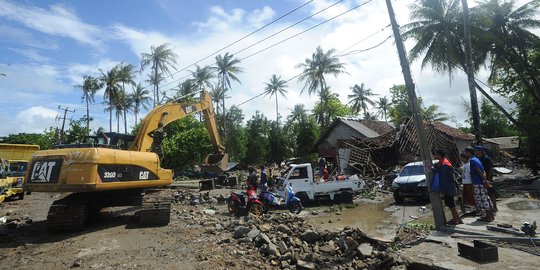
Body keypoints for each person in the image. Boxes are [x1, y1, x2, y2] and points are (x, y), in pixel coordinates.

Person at [432, 149, 463, 225]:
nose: (435, 156)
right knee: (451, 204)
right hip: (450, 187)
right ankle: (457, 219)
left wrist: (443, 189)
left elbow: (444, 179)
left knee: (451, 204)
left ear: (439, 155)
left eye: (436, 154)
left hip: (448, 188)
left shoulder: (444, 165)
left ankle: (456, 220)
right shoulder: (444, 162)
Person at [464, 147, 495, 222]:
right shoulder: (477, 159)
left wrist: (485, 180)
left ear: (468, 153)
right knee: (486, 198)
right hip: (481, 181)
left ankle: (488, 217)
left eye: (465, 152)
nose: (465, 153)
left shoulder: (472, 160)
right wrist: (485, 180)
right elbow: (483, 171)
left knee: (482, 199)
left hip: (477, 182)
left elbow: (478, 171)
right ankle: (491, 216)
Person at [474, 145, 497, 211]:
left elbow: (491, 169)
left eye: (476, 150)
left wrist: (489, 179)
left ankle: (494, 206)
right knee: (483, 193)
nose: (475, 152)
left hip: (487, 178)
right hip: (480, 179)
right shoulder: (476, 159)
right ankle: (486, 207)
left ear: (480, 151)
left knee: (491, 192)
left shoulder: (486, 159)